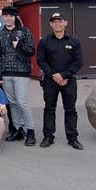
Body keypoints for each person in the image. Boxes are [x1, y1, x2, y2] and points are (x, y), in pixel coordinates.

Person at [37, 12, 84, 150]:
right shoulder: (44, 41)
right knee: (49, 108)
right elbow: (41, 60)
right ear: (50, 24)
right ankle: (48, 137)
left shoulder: (74, 41)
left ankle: (72, 138)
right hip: (50, 81)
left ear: (65, 23)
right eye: (54, 22)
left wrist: (64, 75)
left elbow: (78, 62)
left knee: (70, 110)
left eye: (60, 21)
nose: (57, 24)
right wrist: (54, 75)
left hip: (69, 81)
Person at [0, 6, 36, 146]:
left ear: (15, 17)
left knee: (22, 101)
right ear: (3, 17)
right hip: (6, 73)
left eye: (11, 16)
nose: (8, 18)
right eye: (6, 16)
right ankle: (18, 130)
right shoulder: (0, 34)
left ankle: (30, 131)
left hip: (21, 72)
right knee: (12, 103)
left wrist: (20, 45)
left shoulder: (24, 32)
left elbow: (31, 51)